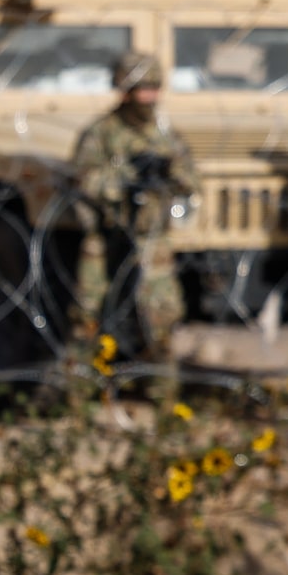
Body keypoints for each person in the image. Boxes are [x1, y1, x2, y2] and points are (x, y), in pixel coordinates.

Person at [67, 51, 198, 382]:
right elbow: (84, 178)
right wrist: (125, 180)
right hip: (105, 236)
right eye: (142, 89)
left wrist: (166, 175)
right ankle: (78, 397)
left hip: (150, 237)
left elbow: (190, 180)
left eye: (154, 88)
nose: (149, 97)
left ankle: (164, 401)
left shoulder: (166, 135)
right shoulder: (102, 132)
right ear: (125, 91)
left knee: (162, 319)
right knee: (87, 317)